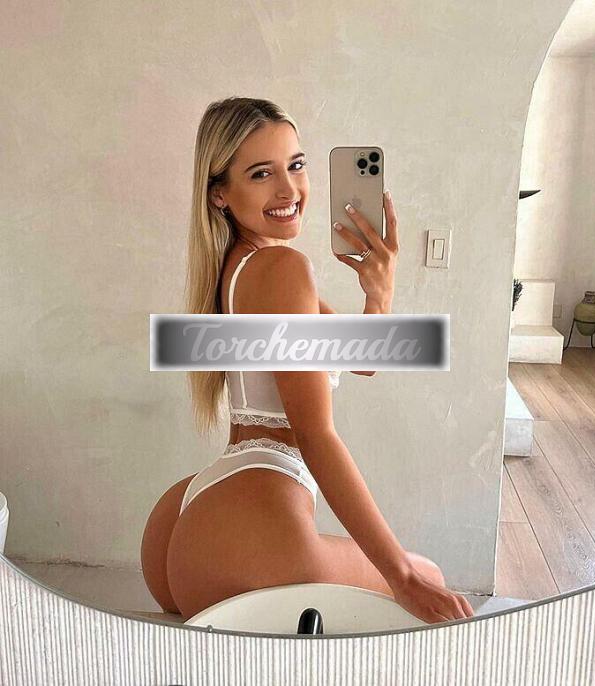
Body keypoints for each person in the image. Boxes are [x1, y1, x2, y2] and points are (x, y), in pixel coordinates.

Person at [141, 96, 474, 624]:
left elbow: (361, 358)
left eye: (296, 165)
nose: (288, 190)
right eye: (261, 173)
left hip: (194, 516)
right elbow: (315, 433)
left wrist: (379, 291)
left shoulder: (243, 265)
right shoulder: (282, 267)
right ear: (219, 193)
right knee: (427, 574)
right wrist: (403, 577)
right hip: (250, 525)